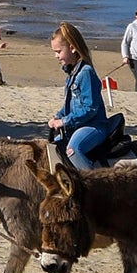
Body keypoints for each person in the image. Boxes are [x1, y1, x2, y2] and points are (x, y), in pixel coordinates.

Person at [48, 23, 110, 168]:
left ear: (72, 48)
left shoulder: (85, 72)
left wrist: (65, 121)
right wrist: (58, 116)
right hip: (79, 125)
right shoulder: (71, 73)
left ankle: (92, 184)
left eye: (58, 51)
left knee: (73, 150)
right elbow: (69, 105)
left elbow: (90, 108)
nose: (56, 56)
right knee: (56, 144)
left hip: (94, 126)